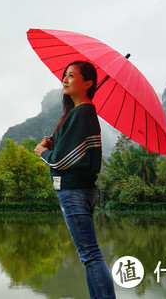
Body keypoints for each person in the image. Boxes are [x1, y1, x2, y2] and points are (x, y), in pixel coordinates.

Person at [34, 60, 116, 299]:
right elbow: (71, 151)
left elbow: (61, 161)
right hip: (81, 191)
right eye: (64, 75)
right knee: (89, 254)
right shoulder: (79, 113)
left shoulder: (82, 113)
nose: (65, 79)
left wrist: (43, 153)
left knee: (90, 254)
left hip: (74, 191)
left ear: (88, 83)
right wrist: (53, 142)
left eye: (71, 75)